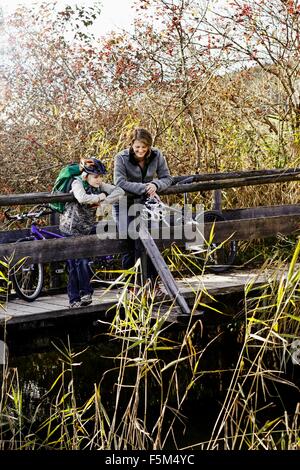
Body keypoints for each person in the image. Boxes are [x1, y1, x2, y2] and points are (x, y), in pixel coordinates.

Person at [60, 157, 124, 308]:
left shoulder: (98, 184)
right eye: (96, 176)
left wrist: (105, 201)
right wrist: (100, 197)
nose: (99, 180)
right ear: (86, 175)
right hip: (70, 229)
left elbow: (119, 191)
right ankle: (76, 298)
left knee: (82, 261)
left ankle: (84, 294)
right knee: (75, 263)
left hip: (85, 229)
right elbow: (82, 198)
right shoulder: (77, 183)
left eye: (101, 176)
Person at [114, 127, 172, 286]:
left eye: (144, 147)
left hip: (146, 205)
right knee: (129, 241)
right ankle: (130, 286)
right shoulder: (121, 158)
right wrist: (145, 188)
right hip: (124, 204)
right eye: (137, 146)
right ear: (131, 144)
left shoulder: (157, 155)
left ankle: (152, 283)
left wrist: (156, 184)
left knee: (149, 241)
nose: (140, 150)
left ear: (149, 146)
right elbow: (119, 182)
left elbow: (167, 178)